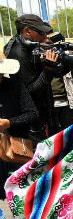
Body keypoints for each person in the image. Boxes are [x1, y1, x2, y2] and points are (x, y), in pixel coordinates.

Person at [4, 14, 73, 142]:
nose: (45, 38)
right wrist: (48, 71)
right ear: (27, 31)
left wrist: (70, 60)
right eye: (42, 33)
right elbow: (30, 92)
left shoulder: (30, 46)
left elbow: (56, 73)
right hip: (30, 127)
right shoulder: (19, 53)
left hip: (43, 117)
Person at [0, 58, 38, 199]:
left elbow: (32, 114)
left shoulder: (15, 86)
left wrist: (8, 123)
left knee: (23, 192)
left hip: (16, 147)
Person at [51, 62, 73, 134]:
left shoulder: (67, 58)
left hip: (68, 105)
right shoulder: (39, 56)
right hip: (48, 107)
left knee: (71, 137)